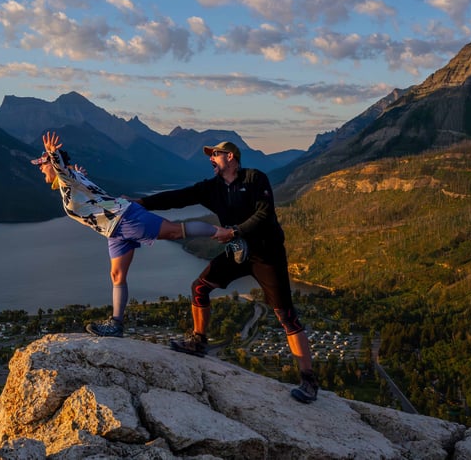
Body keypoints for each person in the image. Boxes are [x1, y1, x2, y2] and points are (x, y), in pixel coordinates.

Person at [134, 141, 319, 403]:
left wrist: (233, 232)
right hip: (238, 252)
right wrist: (140, 203)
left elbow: (264, 214)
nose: (211, 159)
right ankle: (198, 341)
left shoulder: (255, 178)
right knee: (199, 288)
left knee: (286, 315)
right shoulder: (212, 188)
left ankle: (309, 380)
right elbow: (178, 198)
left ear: (230, 157)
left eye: (215, 154)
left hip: (266, 254)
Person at [32, 131, 226, 338]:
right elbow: (75, 181)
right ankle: (116, 324)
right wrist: (77, 172)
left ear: (53, 164)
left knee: (175, 231)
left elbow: (62, 170)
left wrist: (54, 155)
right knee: (116, 275)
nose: (40, 169)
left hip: (125, 217)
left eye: (42, 165)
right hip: (113, 231)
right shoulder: (70, 181)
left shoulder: (66, 177)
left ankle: (225, 233)